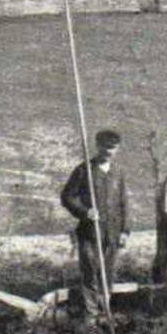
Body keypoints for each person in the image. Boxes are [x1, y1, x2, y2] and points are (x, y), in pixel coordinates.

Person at [60, 130, 130, 317]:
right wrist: (85, 212)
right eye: (105, 147)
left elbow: (124, 203)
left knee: (108, 272)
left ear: (118, 148)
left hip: (113, 232)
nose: (109, 151)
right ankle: (91, 315)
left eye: (113, 148)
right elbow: (67, 196)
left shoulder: (119, 172)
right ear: (98, 146)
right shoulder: (84, 170)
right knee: (90, 271)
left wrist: (125, 231)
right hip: (90, 232)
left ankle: (105, 310)